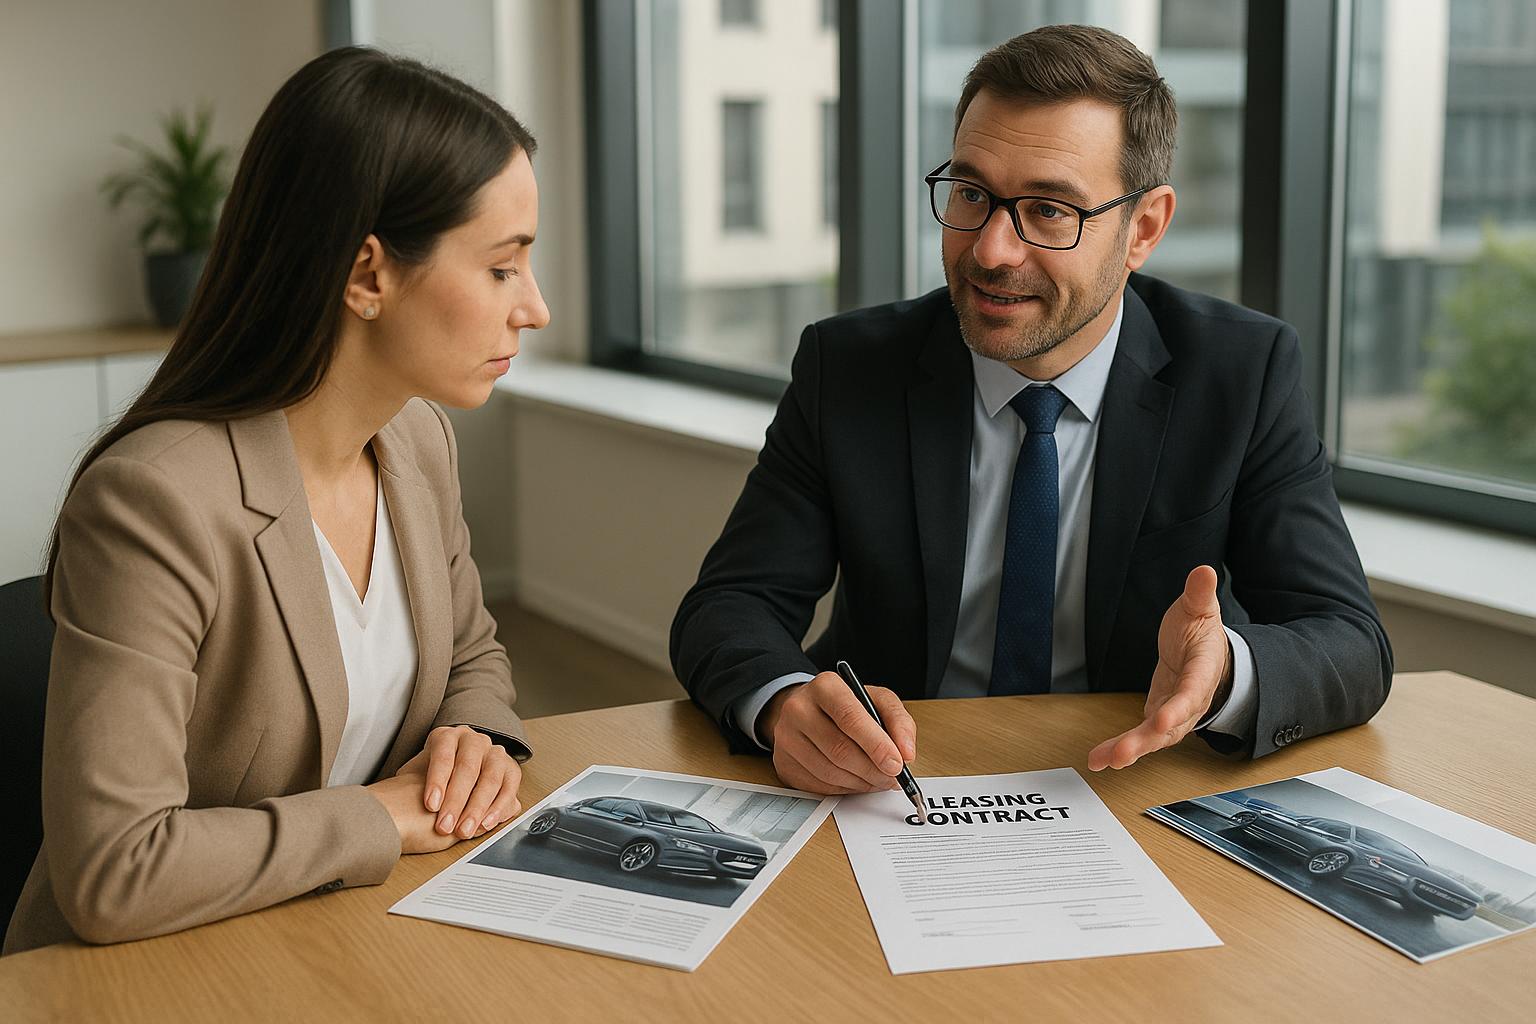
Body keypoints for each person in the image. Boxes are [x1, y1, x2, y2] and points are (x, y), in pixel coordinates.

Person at [671, 24, 1392, 796]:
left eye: (1049, 211)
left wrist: (1224, 675)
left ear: (1143, 227)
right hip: (892, 787)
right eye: (973, 194)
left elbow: (1348, 640)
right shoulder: (849, 366)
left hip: (1127, 784)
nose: (990, 251)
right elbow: (731, 604)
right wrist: (783, 705)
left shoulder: (1240, 372)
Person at [4, 47, 550, 954]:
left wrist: (472, 736)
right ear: (368, 275)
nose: (533, 308)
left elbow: (471, 651)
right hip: (147, 971)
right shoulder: (153, 503)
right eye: (502, 269)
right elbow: (113, 871)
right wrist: (377, 818)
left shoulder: (418, 440)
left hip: (336, 932)